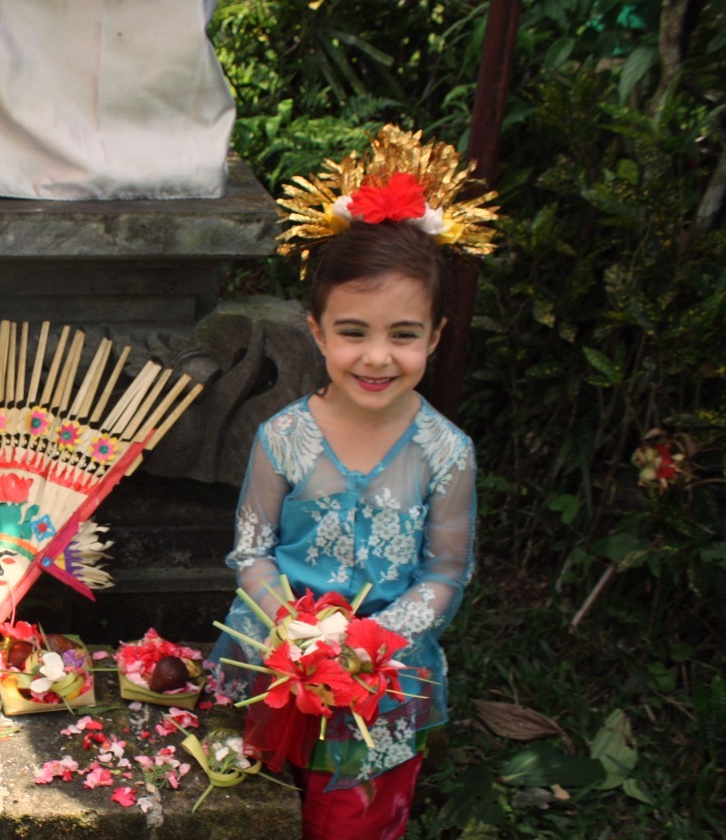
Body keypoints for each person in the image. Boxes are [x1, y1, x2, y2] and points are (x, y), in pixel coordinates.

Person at [208, 125, 499, 839]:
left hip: (386, 668)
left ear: (434, 336)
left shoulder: (446, 452)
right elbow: (252, 551)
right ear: (315, 330)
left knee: (353, 816)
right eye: (352, 331)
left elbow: (445, 573)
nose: (376, 356)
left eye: (403, 334)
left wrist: (370, 641)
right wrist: (296, 632)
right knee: (256, 806)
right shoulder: (283, 438)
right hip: (278, 654)